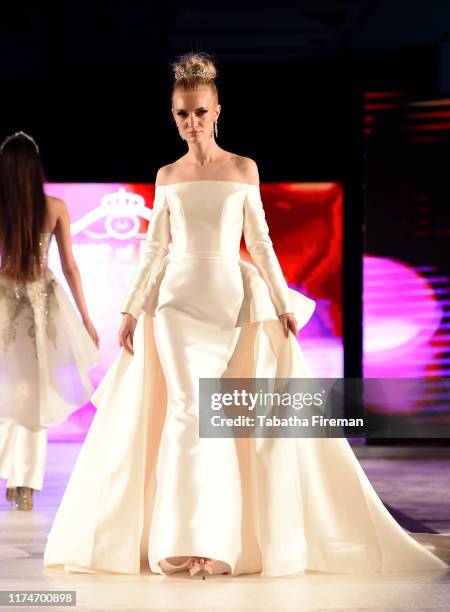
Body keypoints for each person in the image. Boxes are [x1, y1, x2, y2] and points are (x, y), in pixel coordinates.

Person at [43, 53, 449, 579]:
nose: (191, 122)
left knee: (224, 420)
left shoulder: (243, 169)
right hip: (175, 305)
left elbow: (259, 240)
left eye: (200, 112)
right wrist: (131, 309)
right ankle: (190, 542)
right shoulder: (167, 175)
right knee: (188, 414)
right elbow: (153, 249)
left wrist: (281, 301)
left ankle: (219, 540)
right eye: (182, 114)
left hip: (231, 303)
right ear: (174, 117)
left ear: (217, 111)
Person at [0, 131, 101, 511]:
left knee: (12, 389)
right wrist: (86, 317)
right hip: (42, 302)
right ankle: (25, 482)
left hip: (7, 300)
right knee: (36, 394)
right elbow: (71, 268)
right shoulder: (54, 206)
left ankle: (14, 474)